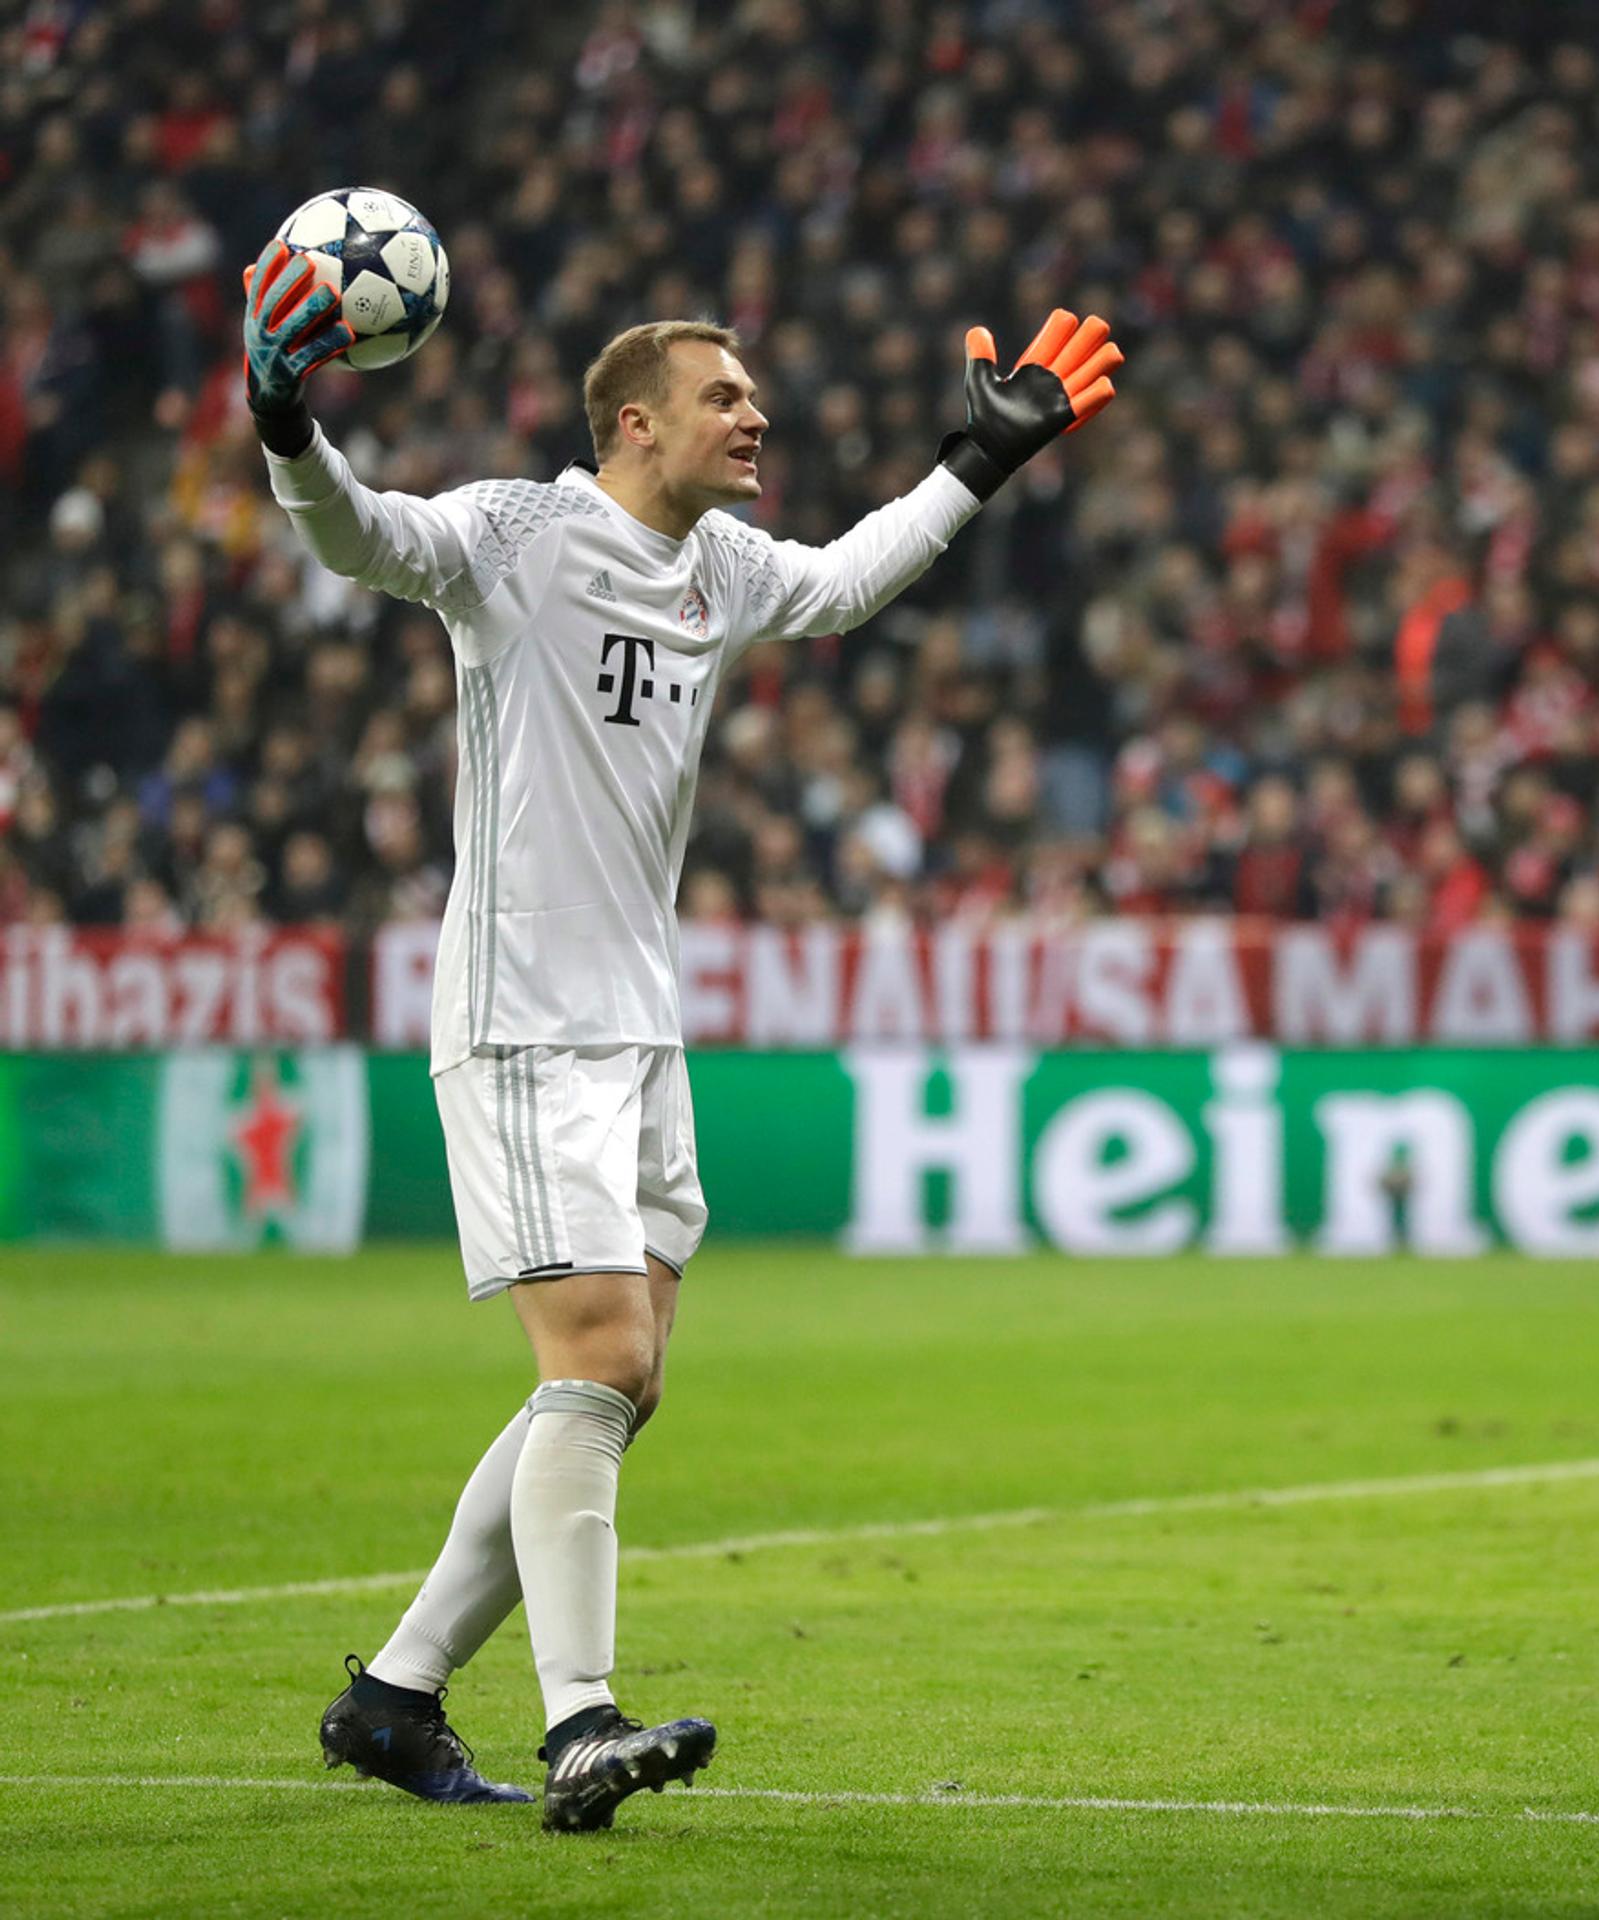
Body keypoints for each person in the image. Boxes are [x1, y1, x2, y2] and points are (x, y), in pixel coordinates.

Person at [240, 237, 1121, 1829]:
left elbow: (843, 584)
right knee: (595, 1361)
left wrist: (981, 459)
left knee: (619, 1385)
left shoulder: (721, 566)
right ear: (634, 421)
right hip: (522, 1012)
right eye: (724, 396)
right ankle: (582, 1720)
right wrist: (287, 421)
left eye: (752, 395)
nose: (753, 415)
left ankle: (396, 1695)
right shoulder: (516, 535)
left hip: (640, 1027)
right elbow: (358, 535)